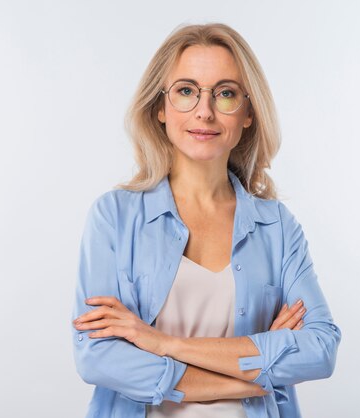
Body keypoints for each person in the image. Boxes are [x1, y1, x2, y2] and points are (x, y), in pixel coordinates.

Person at [71, 22, 341, 418]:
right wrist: (254, 372)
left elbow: (321, 350)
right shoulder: (114, 217)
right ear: (160, 108)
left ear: (248, 112)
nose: (204, 111)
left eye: (226, 94)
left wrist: (163, 343)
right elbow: (97, 359)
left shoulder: (277, 226)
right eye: (185, 91)